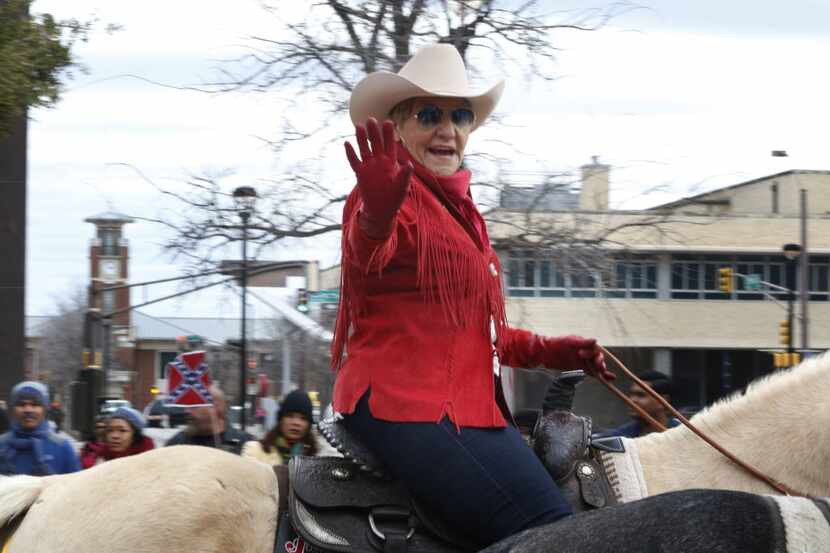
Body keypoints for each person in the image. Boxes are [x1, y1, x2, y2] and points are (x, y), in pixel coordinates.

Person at [332, 43, 615, 548]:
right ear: (397, 127)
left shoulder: (464, 215)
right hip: (408, 406)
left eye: (460, 115)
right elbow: (366, 252)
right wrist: (376, 212)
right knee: (555, 535)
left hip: (471, 409)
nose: (448, 128)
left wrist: (553, 352)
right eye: (429, 115)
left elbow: (478, 335)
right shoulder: (388, 195)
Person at [0, 381, 81, 475]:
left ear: (45, 409)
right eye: (21, 404)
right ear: (13, 408)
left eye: (35, 405)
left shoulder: (62, 447)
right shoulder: (2, 444)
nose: (28, 410)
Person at [165, 385, 253, 455]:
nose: (187, 411)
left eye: (195, 406)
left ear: (216, 406)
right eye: (187, 406)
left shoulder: (246, 445)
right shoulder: (176, 445)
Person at [594, 370, 681, 439]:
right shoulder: (621, 437)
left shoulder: (683, 435)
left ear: (663, 401)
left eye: (641, 395)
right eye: (631, 394)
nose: (631, 400)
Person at [242, 389, 319, 466]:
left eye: (303, 418)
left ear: (309, 424)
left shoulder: (317, 460)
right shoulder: (255, 451)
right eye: (290, 416)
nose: (296, 423)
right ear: (281, 420)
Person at [81, 406, 154, 468]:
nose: (114, 436)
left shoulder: (149, 460)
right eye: (110, 430)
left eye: (122, 430)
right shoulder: (99, 457)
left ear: (135, 436)